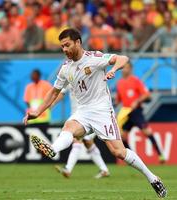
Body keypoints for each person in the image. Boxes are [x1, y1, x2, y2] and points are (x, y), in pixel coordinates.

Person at [23, 28, 167, 198]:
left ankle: (153, 178)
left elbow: (123, 58)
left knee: (119, 152)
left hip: (102, 111)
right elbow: (54, 92)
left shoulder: (95, 58)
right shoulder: (65, 68)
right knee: (68, 127)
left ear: (78, 42)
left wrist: (114, 69)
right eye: (62, 47)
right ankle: (53, 149)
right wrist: (37, 112)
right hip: (83, 111)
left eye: (67, 45)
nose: (65, 50)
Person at [52, 86, 109, 179]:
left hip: (89, 116)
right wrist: (52, 104)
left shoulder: (89, 76)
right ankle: (104, 169)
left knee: (77, 140)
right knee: (88, 142)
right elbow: (61, 93)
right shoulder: (69, 75)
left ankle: (68, 169)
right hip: (76, 116)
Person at [115, 62, 165, 163]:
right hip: (126, 113)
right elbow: (118, 100)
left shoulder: (136, 81)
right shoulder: (119, 83)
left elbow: (147, 95)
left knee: (147, 132)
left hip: (136, 111)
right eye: (123, 68)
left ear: (131, 69)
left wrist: (137, 101)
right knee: (122, 136)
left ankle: (161, 155)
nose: (125, 70)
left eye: (127, 68)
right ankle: (133, 158)